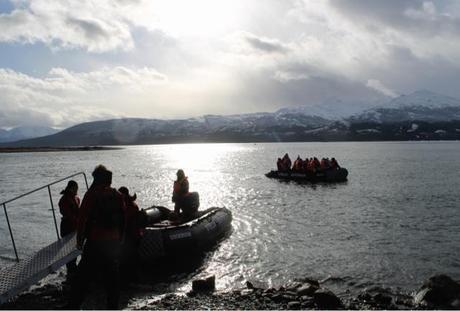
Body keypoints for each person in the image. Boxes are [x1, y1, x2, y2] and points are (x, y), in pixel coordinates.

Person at [70, 165, 125, 310]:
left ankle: (74, 305)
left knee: (82, 277)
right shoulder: (117, 195)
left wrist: (79, 241)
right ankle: (112, 307)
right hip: (113, 242)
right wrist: (120, 239)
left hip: (95, 242)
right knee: (112, 279)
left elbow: (82, 219)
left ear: (96, 177)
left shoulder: (91, 194)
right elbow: (123, 219)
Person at [118, 186, 140, 284]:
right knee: (132, 257)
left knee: (127, 257)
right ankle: (132, 277)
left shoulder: (126, 206)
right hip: (134, 234)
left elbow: (125, 222)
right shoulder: (133, 205)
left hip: (129, 235)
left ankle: (127, 278)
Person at [58, 180, 80, 276]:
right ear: (71, 188)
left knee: (74, 249)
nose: (77, 190)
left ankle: (72, 269)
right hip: (67, 226)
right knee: (69, 251)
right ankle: (71, 270)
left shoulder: (76, 198)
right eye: (75, 188)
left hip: (74, 226)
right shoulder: (64, 199)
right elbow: (67, 214)